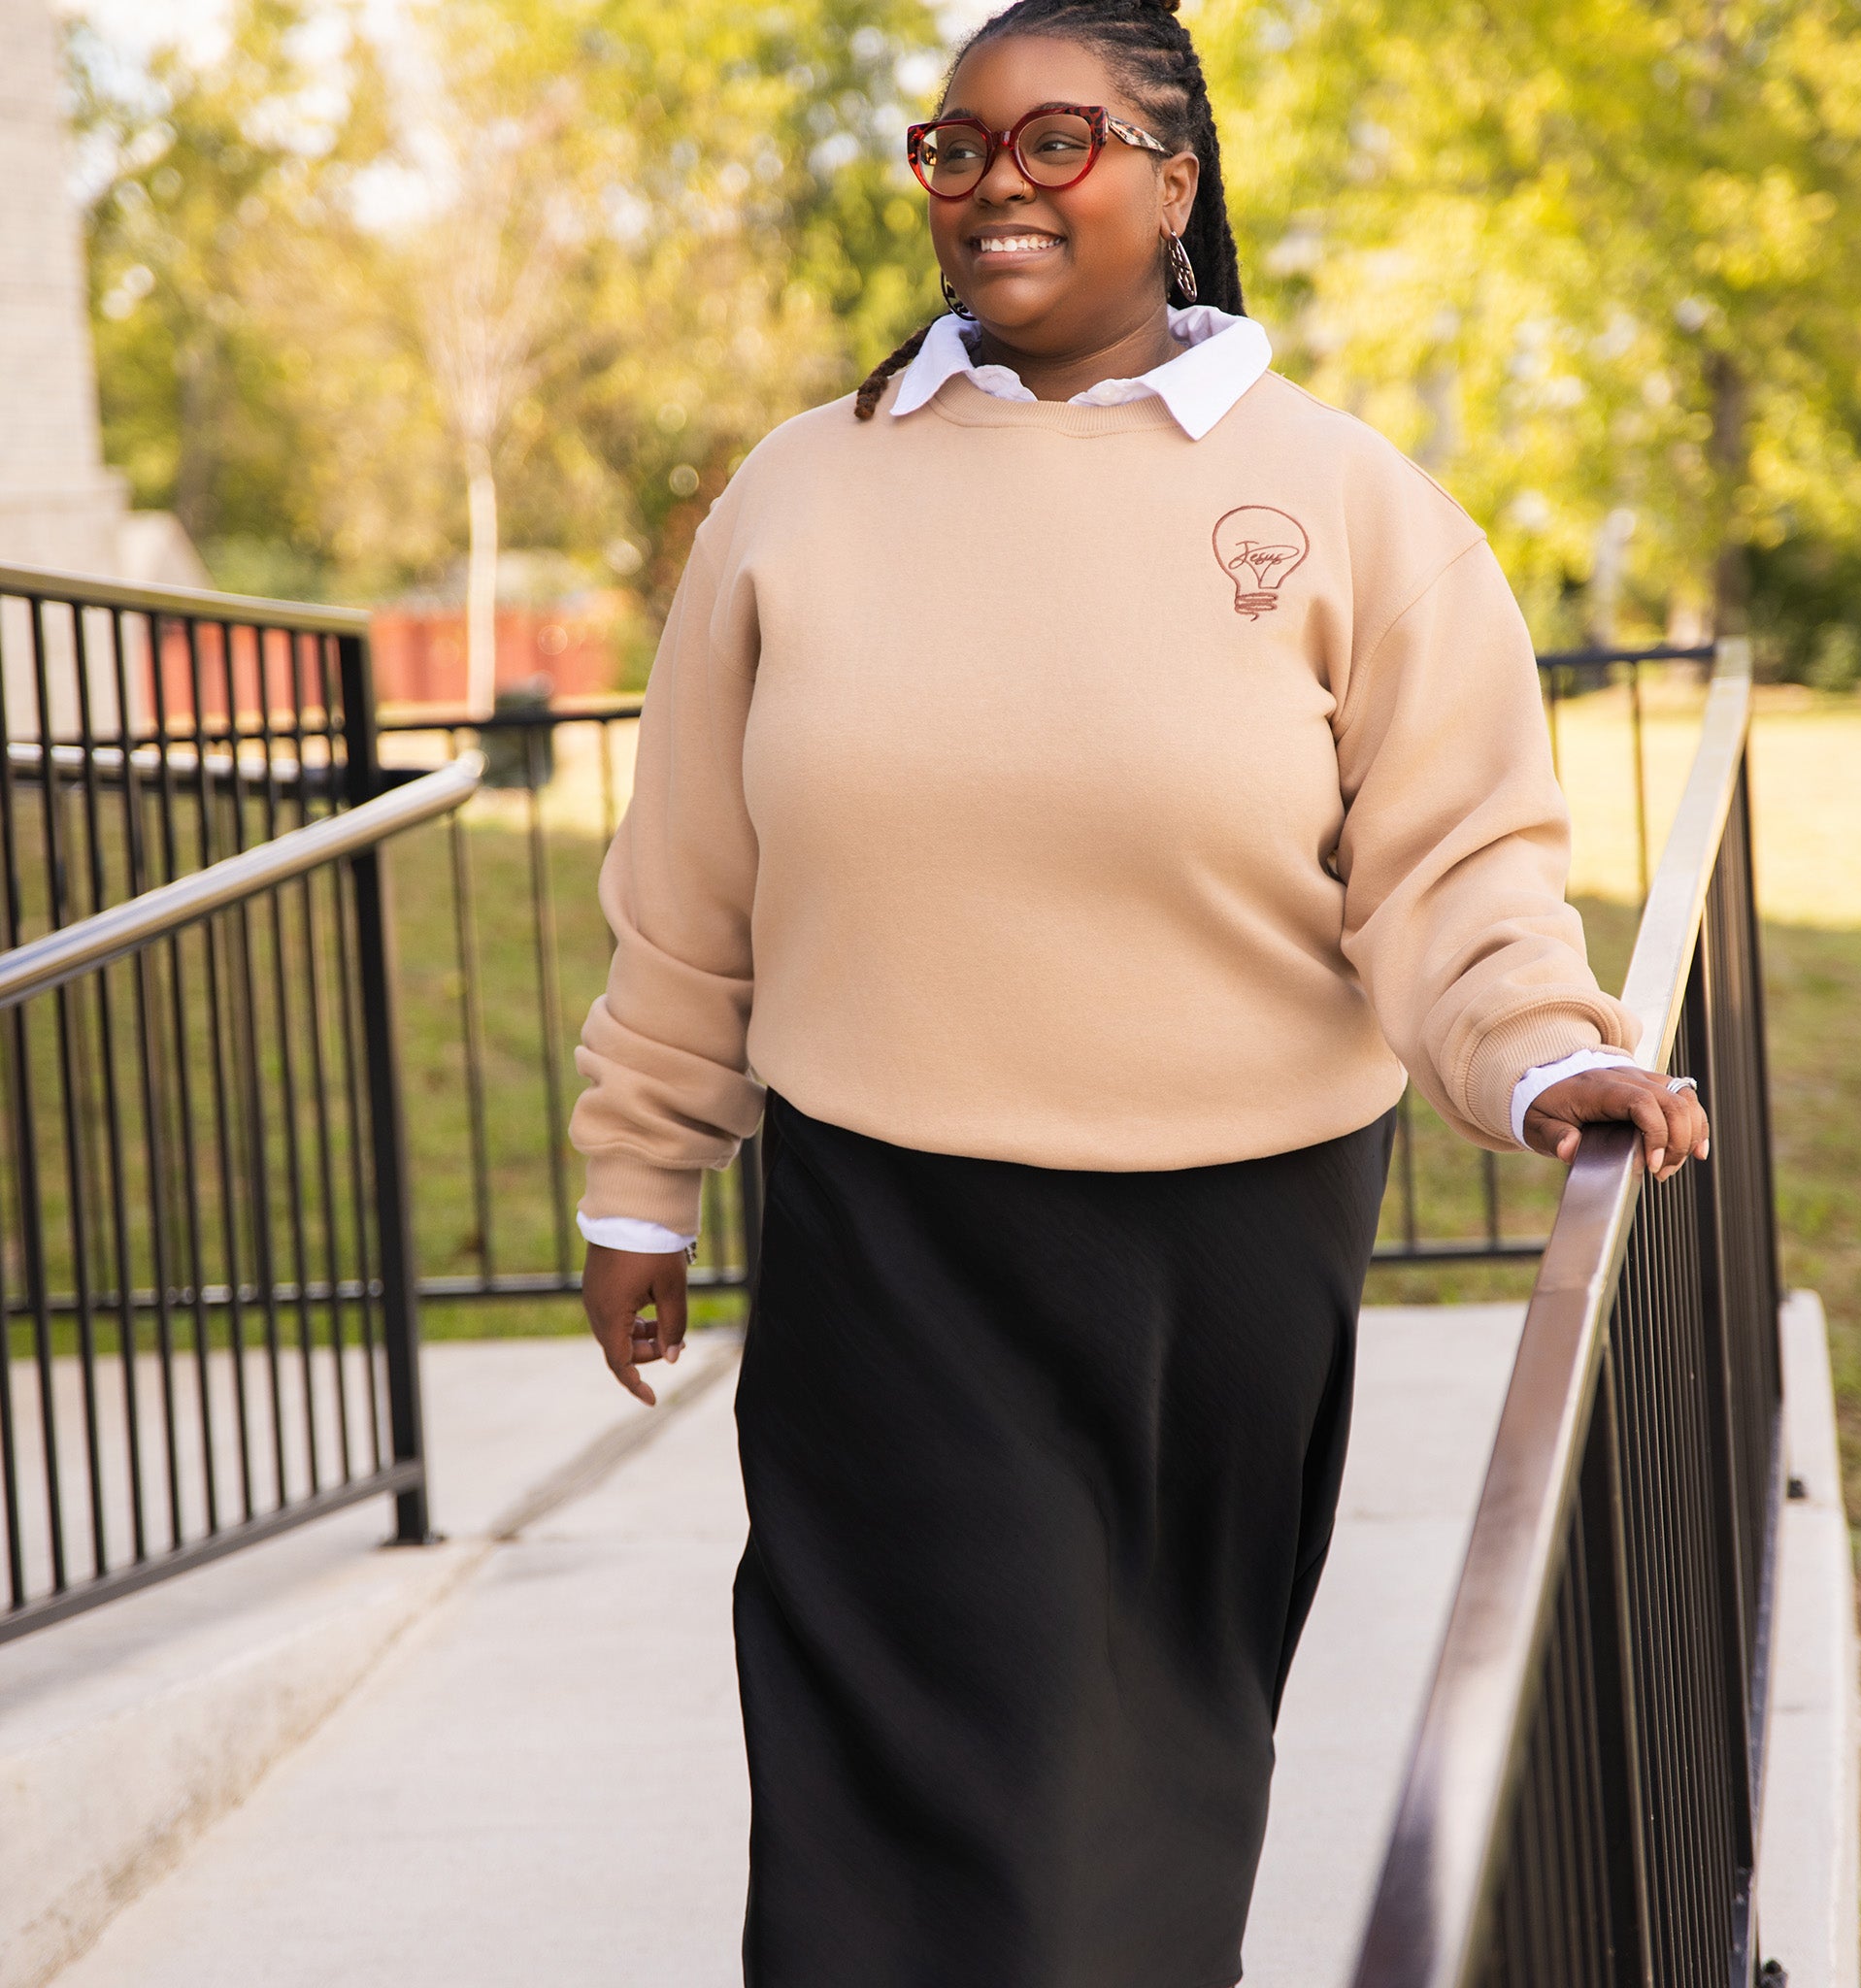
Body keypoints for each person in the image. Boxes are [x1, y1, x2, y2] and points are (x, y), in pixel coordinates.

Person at [569, 2, 1711, 1981]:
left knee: (1158, 1755)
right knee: (904, 1779)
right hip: (889, 1238)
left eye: (1057, 141)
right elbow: (694, 883)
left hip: (1224, 1254)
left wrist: (1549, 1061)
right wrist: (639, 1175)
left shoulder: (1349, 506)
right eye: (956, 148)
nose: (994, 183)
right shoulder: (798, 496)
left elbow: (1455, 876)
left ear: (1175, 186)